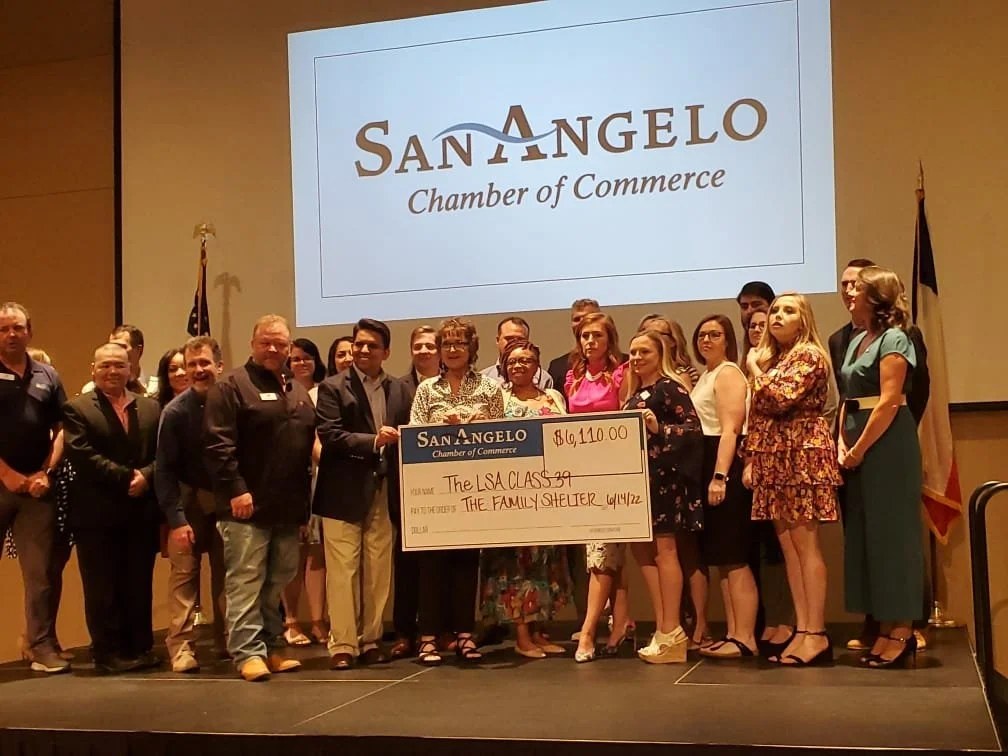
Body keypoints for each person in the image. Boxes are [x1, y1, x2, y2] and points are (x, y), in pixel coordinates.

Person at [203, 314, 316, 681]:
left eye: (280, 344)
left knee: (279, 578)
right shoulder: (231, 386)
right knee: (246, 581)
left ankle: (272, 648)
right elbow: (219, 445)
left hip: (286, 507)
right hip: (244, 507)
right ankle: (247, 653)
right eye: (266, 342)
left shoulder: (295, 388)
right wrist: (236, 489)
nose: (273, 349)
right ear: (253, 344)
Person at [830, 257, 932, 652]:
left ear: (878, 297)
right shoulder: (857, 339)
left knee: (894, 536)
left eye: (859, 289)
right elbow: (848, 397)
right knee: (866, 536)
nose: (850, 293)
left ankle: (902, 630)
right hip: (855, 441)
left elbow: (889, 402)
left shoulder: (896, 338)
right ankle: (881, 624)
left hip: (887, 445)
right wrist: (841, 440)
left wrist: (858, 448)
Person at [743, 294, 841, 666]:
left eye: (788, 310)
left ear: (804, 320)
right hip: (773, 457)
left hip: (802, 454)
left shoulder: (810, 355)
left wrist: (754, 369)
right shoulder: (776, 359)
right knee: (788, 549)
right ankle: (802, 630)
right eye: (774, 311)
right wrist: (751, 456)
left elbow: (781, 397)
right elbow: (759, 414)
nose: (777, 316)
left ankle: (816, 632)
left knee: (806, 545)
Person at [315, 319, 412, 670]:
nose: (363, 350)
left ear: (386, 352)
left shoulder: (400, 389)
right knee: (342, 571)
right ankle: (342, 644)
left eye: (372, 345)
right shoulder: (332, 388)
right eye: (359, 344)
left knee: (377, 569)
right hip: (342, 491)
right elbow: (330, 436)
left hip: (384, 489)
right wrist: (373, 442)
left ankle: (370, 639)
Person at [410, 318, 504, 665]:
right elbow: (414, 434)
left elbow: (505, 436)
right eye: (446, 344)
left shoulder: (490, 389)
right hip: (434, 490)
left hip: (475, 489)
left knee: (467, 564)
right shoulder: (426, 390)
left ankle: (465, 634)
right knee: (432, 564)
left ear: (471, 348)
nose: (451, 350)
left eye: (458, 344)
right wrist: (440, 428)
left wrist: (482, 428)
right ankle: (429, 638)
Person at [63, 342, 161, 673]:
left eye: (119, 365)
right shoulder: (77, 409)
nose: (112, 371)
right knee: (102, 586)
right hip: (97, 513)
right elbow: (82, 455)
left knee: (138, 582)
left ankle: (139, 648)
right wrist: (126, 478)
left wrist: (147, 476)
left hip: (141, 511)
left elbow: (166, 454)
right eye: (104, 366)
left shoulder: (151, 408)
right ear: (93, 369)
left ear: (131, 369)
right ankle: (107, 653)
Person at [479, 339, 569, 659]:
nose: (519, 366)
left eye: (526, 360)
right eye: (513, 361)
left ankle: (539, 631)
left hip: (548, 495)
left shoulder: (553, 397)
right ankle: (521, 635)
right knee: (516, 567)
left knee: (546, 566)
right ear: (504, 366)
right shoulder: (495, 399)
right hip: (511, 497)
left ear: (537, 365)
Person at [623, 329, 704, 663]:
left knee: (666, 551)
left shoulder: (670, 388)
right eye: (632, 352)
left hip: (666, 482)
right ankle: (663, 628)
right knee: (647, 554)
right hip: (641, 483)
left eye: (644, 352)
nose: (637, 358)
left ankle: (672, 630)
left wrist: (660, 429)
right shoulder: (633, 393)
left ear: (660, 354)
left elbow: (693, 431)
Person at [0, 303, 70, 674]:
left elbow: (61, 429)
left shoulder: (48, 375)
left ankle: (41, 647)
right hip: (1, 483)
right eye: (4, 329)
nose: (12, 334)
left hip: (36, 490)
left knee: (40, 573)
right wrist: (6, 473)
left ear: (30, 330)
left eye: (18, 328)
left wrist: (46, 471)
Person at [154, 336, 228, 672]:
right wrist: (176, 518)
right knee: (184, 577)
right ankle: (182, 648)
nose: (198, 370)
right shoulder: (174, 411)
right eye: (192, 364)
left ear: (219, 366)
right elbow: (164, 470)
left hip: (227, 503)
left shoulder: (233, 403)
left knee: (230, 577)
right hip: (186, 504)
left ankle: (233, 642)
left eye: (204, 363)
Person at [691, 315, 759, 659]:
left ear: (727, 339)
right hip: (708, 463)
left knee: (735, 557)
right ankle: (733, 633)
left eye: (714, 334)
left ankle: (745, 636)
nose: (706, 340)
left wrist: (720, 477)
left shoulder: (729, 373)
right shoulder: (706, 374)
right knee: (721, 557)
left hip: (724, 464)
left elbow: (731, 429)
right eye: (701, 335)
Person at [567, 313, 633, 663]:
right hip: (581, 473)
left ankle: (589, 632)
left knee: (601, 556)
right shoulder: (572, 377)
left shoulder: (622, 373)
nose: (590, 342)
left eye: (596, 335)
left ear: (610, 339)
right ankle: (621, 623)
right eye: (584, 336)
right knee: (608, 556)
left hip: (614, 474)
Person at [388, 326, 439, 659]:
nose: (423, 351)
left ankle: (441, 630)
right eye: (417, 345)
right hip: (407, 487)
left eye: (429, 345)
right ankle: (405, 632)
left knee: (443, 564)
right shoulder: (398, 389)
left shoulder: (456, 387)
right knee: (406, 562)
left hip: (450, 488)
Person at [281, 338, 328, 647]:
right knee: (291, 555)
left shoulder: (327, 391)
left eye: (306, 357)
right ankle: (291, 621)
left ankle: (318, 621)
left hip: (322, 482)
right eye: (295, 358)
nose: (301, 363)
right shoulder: (281, 392)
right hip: (290, 480)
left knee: (317, 555)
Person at [81, 324, 158, 396]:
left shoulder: (156, 388)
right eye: (111, 346)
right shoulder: (91, 389)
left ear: (138, 350)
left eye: (121, 347)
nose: (114, 351)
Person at [481, 316, 553, 389]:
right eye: (509, 339)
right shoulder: (483, 378)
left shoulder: (543, 378)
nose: (514, 343)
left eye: (520, 339)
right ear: (497, 340)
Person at [546, 298, 601, 394]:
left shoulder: (621, 362)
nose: (581, 322)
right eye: (576, 319)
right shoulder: (557, 366)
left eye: (587, 317)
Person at [638, 314, 700, 388]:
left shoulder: (682, 375)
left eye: (656, 334)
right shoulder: (639, 373)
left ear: (673, 341)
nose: (649, 339)